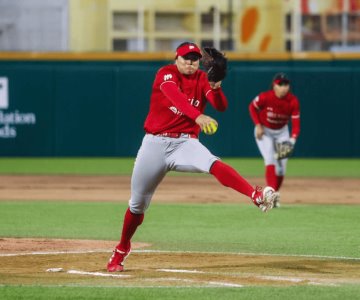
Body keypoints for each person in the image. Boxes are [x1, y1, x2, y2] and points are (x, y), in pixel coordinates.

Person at [107, 42, 279, 272]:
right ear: (176, 58)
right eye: (186, 58)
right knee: (137, 205)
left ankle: (255, 194)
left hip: (185, 142)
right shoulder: (165, 74)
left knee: (212, 163)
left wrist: (216, 87)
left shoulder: (201, 78)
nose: (190, 62)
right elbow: (173, 96)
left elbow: (221, 106)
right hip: (154, 144)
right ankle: (122, 247)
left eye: (194, 59)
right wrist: (198, 116)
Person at [248, 72, 300, 207]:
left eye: (286, 84)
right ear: (274, 85)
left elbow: (296, 124)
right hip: (265, 132)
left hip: (282, 133)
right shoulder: (265, 97)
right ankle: (270, 194)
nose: (284, 87)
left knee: (282, 167)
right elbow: (252, 107)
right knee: (270, 159)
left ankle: (275, 194)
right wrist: (258, 125)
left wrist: (292, 139)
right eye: (280, 84)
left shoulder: (293, 101)